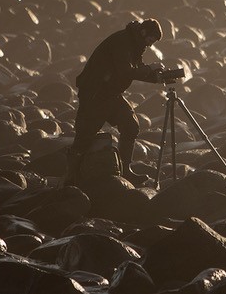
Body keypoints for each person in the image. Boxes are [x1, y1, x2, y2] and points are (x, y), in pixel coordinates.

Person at [65, 18, 164, 186]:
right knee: (84, 137)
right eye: (150, 40)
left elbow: (136, 69)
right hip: (95, 94)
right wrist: (150, 69)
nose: (150, 45)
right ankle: (70, 178)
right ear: (143, 32)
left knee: (130, 126)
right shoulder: (122, 41)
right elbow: (126, 71)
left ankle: (126, 171)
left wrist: (157, 77)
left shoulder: (136, 44)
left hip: (111, 93)